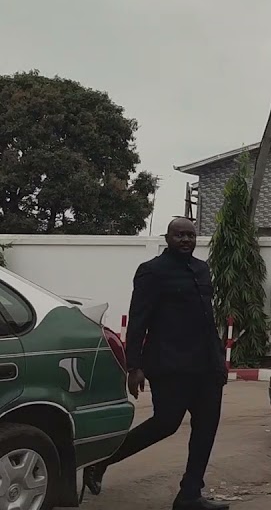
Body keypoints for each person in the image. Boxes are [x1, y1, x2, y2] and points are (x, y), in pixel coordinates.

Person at [84, 217, 229, 510]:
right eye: (180, 235)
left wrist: (219, 363)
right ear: (168, 237)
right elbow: (139, 319)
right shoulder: (152, 271)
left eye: (191, 235)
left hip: (206, 366)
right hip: (170, 365)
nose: (186, 240)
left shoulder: (202, 269)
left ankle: (190, 494)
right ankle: (100, 462)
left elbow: (207, 320)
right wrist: (134, 366)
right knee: (165, 424)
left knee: (206, 428)